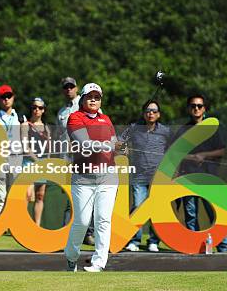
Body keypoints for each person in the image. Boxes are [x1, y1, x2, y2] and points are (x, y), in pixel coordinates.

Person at [64, 83, 120, 272]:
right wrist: (109, 145)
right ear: (83, 99)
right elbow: (85, 144)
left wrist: (121, 146)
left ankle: (99, 263)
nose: (94, 100)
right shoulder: (75, 118)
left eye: (97, 97)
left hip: (108, 176)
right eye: (90, 96)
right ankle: (72, 257)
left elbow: (115, 144)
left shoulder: (106, 119)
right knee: (82, 221)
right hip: (83, 178)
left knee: (103, 219)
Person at [175, 94, 227, 253]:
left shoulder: (213, 127)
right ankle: (193, 248)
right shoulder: (183, 129)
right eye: (193, 106)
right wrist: (192, 157)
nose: (196, 108)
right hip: (189, 177)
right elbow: (174, 153)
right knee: (191, 215)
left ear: (204, 108)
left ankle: (224, 250)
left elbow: (222, 150)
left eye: (199, 106)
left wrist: (204, 155)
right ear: (188, 108)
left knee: (216, 214)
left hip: (210, 178)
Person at [121, 100, 171, 252]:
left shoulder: (166, 131)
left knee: (156, 210)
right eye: (148, 110)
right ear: (143, 113)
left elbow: (173, 150)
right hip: (138, 176)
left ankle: (153, 241)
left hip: (159, 177)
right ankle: (134, 241)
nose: (151, 113)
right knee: (138, 208)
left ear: (159, 114)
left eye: (154, 111)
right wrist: (123, 149)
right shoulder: (134, 128)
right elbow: (119, 141)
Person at [56, 76, 94, 244]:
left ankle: (88, 233)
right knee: (70, 196)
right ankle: (68, 233)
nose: (69, 89)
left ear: (77, 88)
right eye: (66, 87)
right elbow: (59, 137)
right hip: (67, 159)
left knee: (89, 194)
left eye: (71, 86)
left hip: (85, 156)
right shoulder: (61, 112)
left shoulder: (87, 104)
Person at [0, 84, 27, 216]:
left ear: (13, 97)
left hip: (16, 158)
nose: (6, 99)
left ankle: (15, 221)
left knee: (15, 193)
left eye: (9, 96)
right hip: (0, 158)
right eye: (3, 97)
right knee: (1, 194)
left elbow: (24, 140)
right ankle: (0, 224)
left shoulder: (20, 118)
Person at [24, 97, 52, 226]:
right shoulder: (25, 125)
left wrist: (47, 163)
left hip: (42, 164)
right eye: (34, 107)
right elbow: (25, 148)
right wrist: (37, 161)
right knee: (27, 195)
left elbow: (49, 149)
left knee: (40, 196)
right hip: (28, 163)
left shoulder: (46, 128)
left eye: (40, 108)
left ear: (43, 110)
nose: (37, 110)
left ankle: (37, 226)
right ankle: (22, 224)